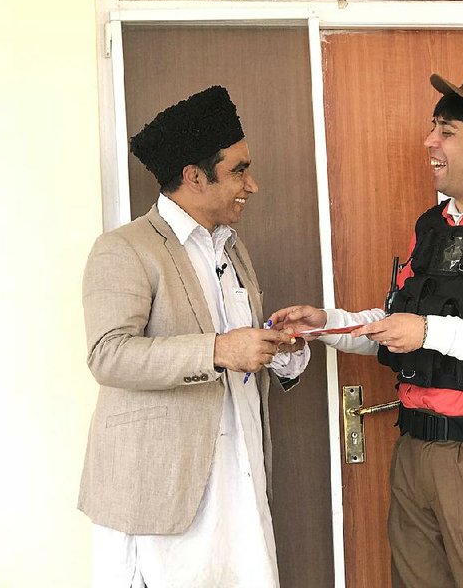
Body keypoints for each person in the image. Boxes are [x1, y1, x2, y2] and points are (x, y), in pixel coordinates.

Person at [270, 68, 463, 588]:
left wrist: (429, 332)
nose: (429, 142)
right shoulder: (434, 228)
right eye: (434, 127)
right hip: (416, 453)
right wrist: (330, 323)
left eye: (447, 131)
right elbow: (401, 325)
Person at [79, 85, 308, 588]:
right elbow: (108, 355)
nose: (253, 185)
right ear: (194, 177)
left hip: (238, 468)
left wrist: (279, 346)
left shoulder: (231, 247)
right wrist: (221, 349)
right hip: (161, 486)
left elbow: (240, 351)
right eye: (239, 171)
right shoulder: (125, 249)